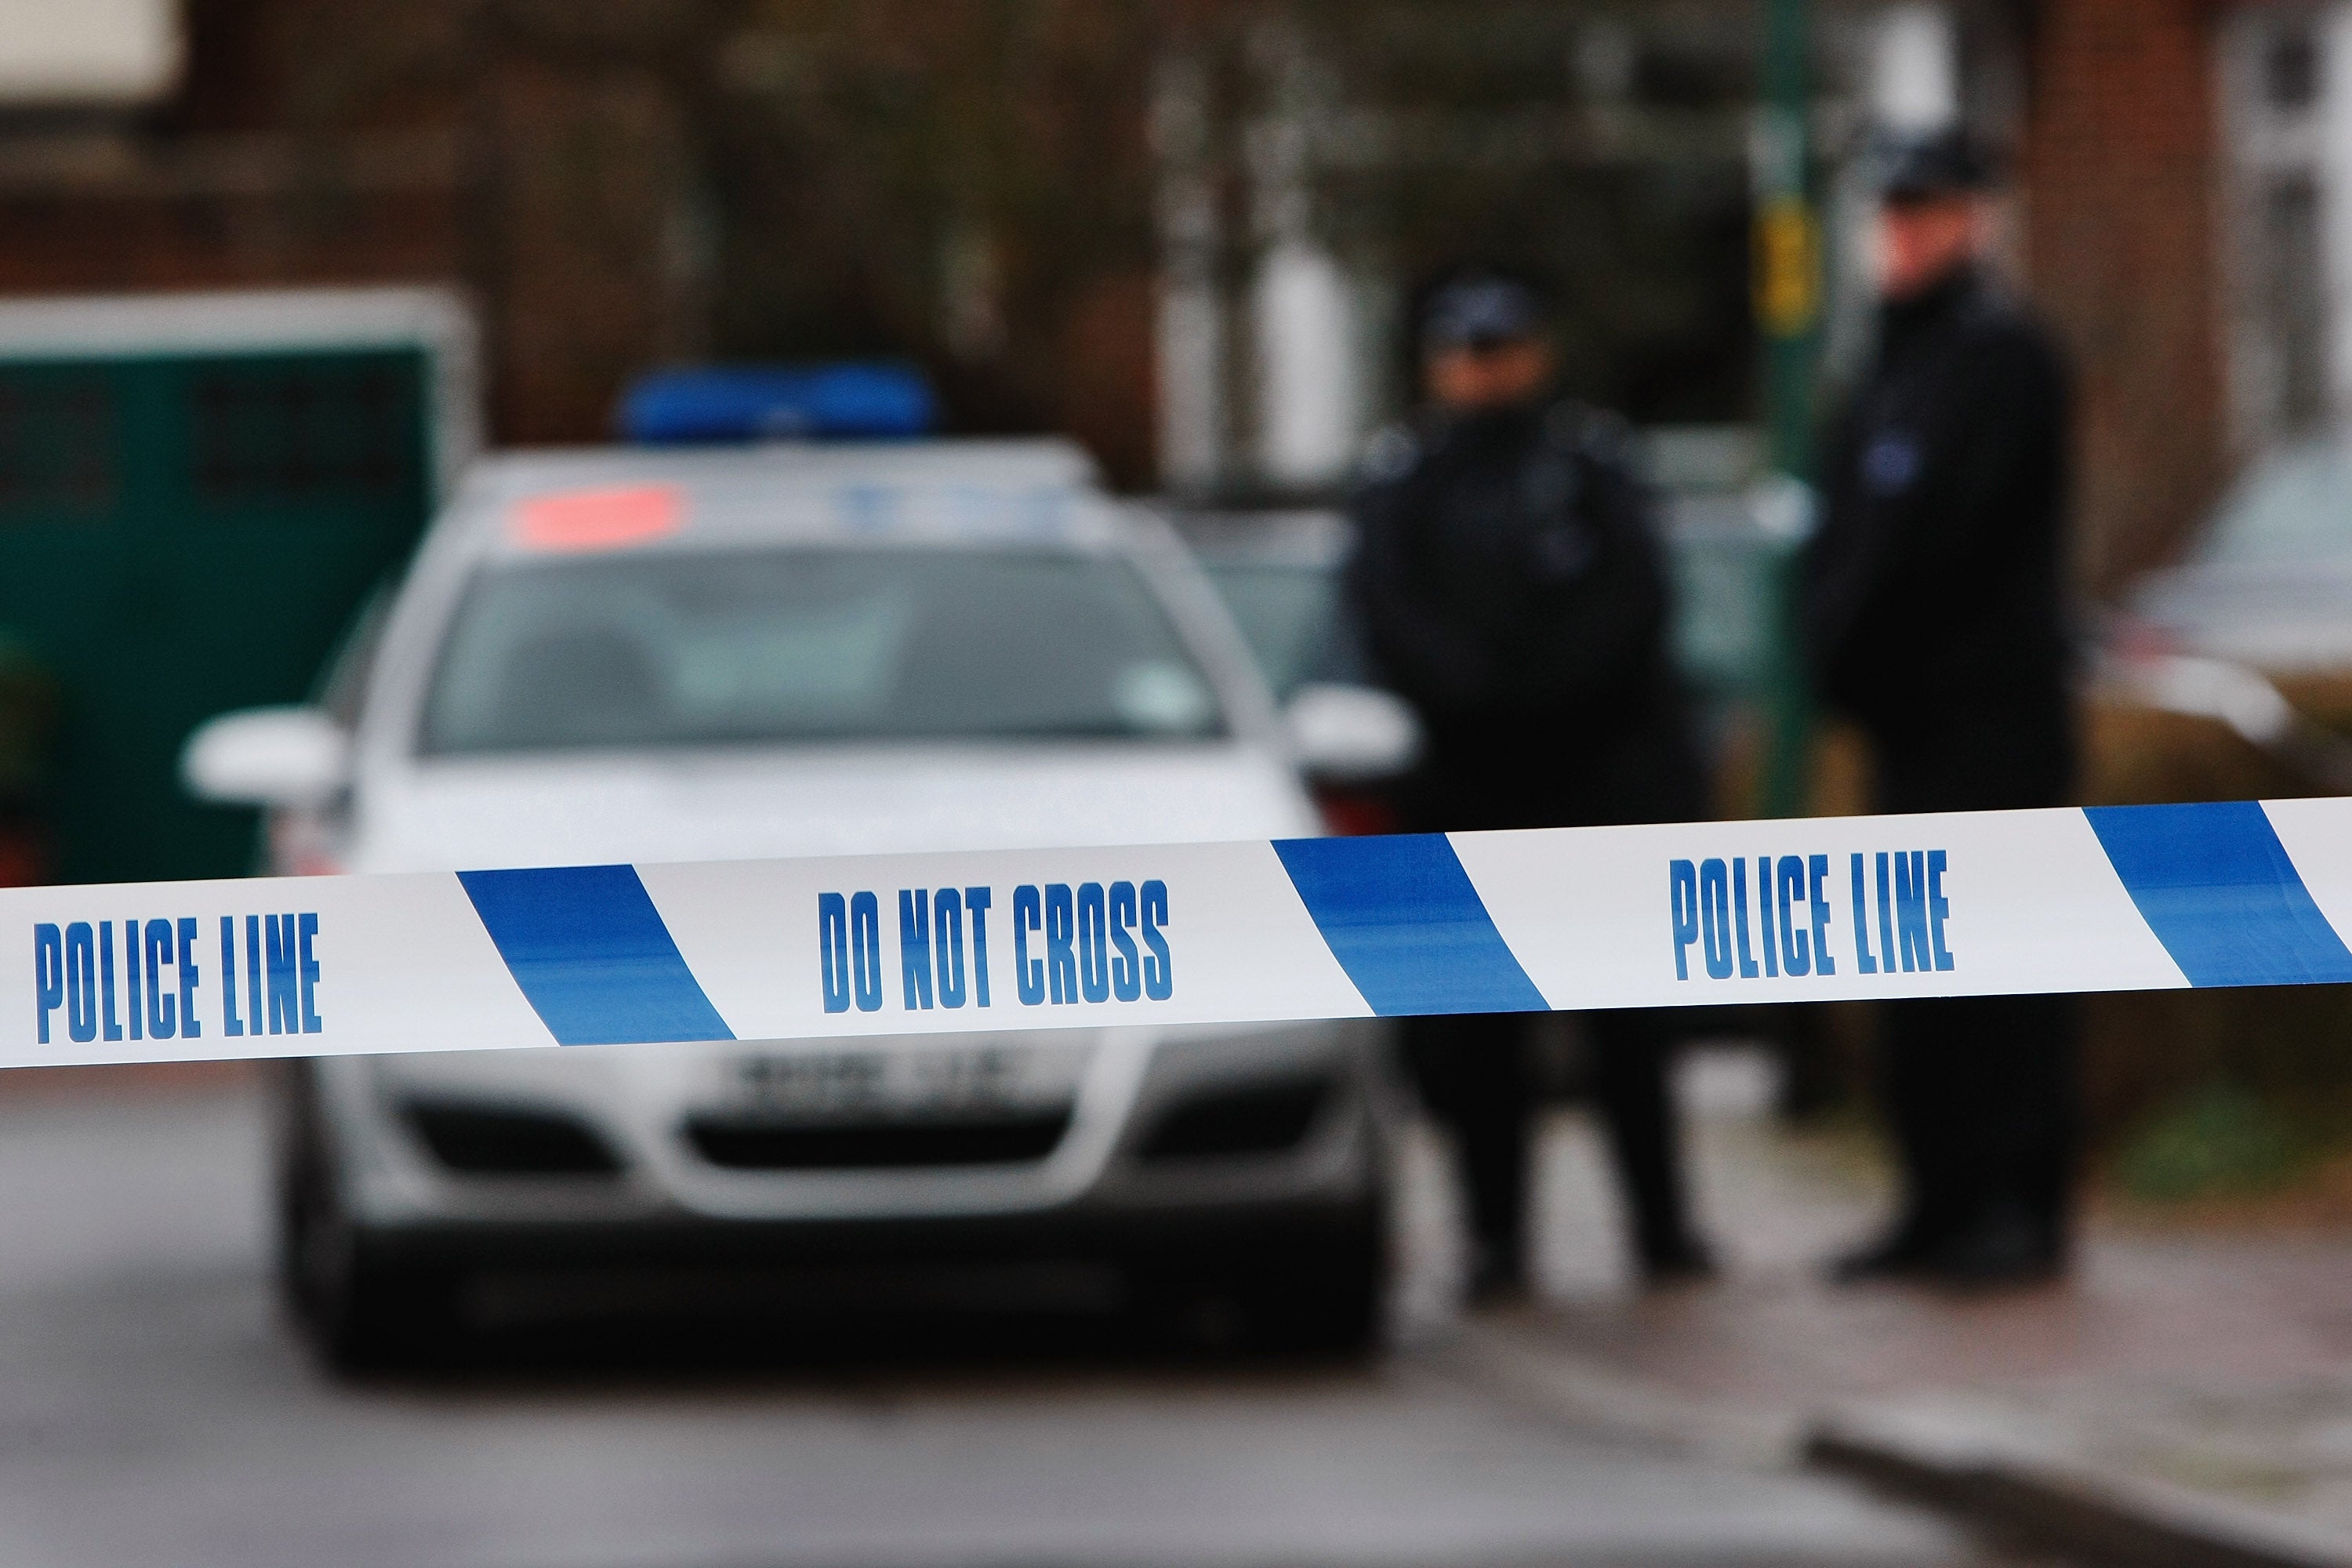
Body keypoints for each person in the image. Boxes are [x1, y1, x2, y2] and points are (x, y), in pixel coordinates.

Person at [1347, 268, 1712, 1301]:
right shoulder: (1405, 482)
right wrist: (1474, 700)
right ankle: (1495, 1244)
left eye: (1498, 352)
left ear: (1535, 356)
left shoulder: (1590, 468)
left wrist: (1546, 699)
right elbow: (1387, 616)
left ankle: (1664, 1228)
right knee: (1479, 1045)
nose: (1482, 374)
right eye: (1462, 355)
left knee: (1630, 1031)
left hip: (1598, 787)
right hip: (1467, 794)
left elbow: (1632, 607)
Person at [1806, 130, 2078, 1286]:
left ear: (1977, 218)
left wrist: (1866, 646)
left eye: (1928, 212)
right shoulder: (1882, 364)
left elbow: (1948, 543)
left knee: (2006, 972)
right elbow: (1841, 539)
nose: (1905, 234)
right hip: (1907, 726)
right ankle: (1937, 1199)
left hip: (1991, 722)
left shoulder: (2002, 356)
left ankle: (2018, 1206)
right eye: (1893, 214)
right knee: (1916, 976)